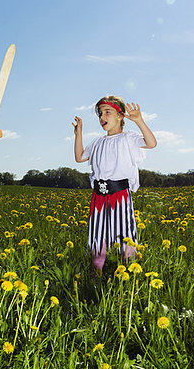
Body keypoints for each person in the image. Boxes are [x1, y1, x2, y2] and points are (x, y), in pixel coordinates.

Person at [73, 95, 156, 274]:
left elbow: (151, 143)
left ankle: (129, 275)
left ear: (120, 115)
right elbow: (79, 157)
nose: (102, 117)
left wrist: (139, 121)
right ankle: (96, 275)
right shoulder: (97, 142)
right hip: (98, 197)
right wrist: (79, 133)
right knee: (97, 237)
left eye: (107, 112)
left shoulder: (129, 138)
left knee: (125, 236)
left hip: (119, 195)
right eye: (100, 114)